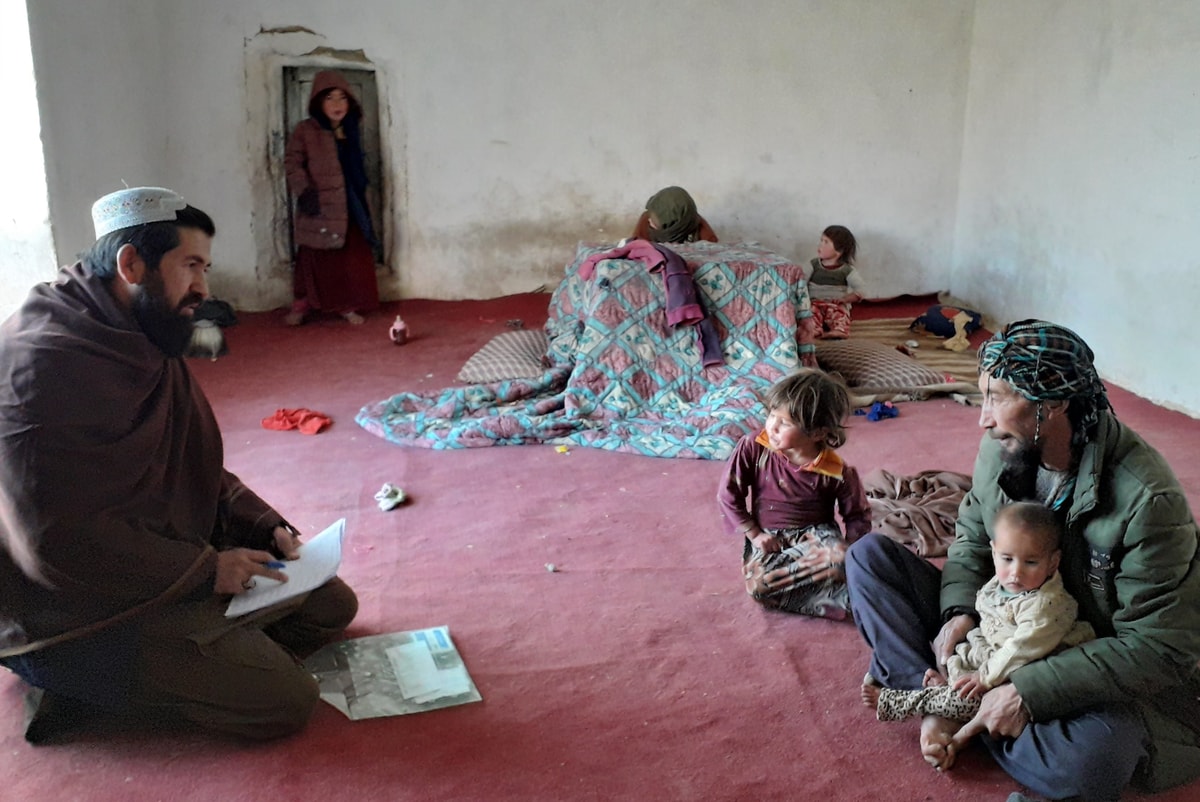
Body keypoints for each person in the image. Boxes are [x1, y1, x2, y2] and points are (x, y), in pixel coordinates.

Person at [0, 187, 358, 743]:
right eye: (190, 265)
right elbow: (54, 542)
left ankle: (189, 654)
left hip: (151, 563)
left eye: (205, 268)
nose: (203, 289)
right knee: (284, 700)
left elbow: (188, 460)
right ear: (131, 265)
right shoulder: (39, 368)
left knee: (332, 604)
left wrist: (261, 522)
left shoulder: (136, 328)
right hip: (72, 611)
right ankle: (68, 681)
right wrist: (207, 572)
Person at [845, 320, 1200, 800]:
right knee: (869, 558)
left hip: (1073, 649)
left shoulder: (1148, 500)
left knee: (1098, 759)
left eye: (997, 398)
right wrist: (957, 612)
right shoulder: (1005, 445)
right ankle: (940, 700)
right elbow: (973, 539)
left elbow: (1158, 647)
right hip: (995, 622)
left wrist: (1028, 692)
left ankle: (967, 708)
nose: (983, 419)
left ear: (1053, 404)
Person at [864, 502, 1094, 748]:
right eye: (1007, 559)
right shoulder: (1001, 584)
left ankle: (902, 703)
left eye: (1030, 562)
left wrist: (985, 677)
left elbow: (1019, 650)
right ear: (994, 552)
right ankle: (945, 687)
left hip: (1020, 670)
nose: (1015, 572)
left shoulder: (1046, 604)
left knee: (968, 697)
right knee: (949, 654)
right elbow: (983, 615)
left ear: (1053, 562)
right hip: (988, 652)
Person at [718, 368, 871, 620]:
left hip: (816, 537)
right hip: (769, 537)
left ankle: (848, 593)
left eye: (785, 423)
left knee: (841, 558)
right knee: (759, 586)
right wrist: (755, 534)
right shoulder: (753, 447)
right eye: (771, 415)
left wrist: (851, 554)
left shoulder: (836, 471)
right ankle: (846, 602)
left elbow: (858, 516)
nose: (772, 426)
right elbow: (728, 494)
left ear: (818, 432)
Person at [284, 70, 381, 326]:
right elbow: (292, 163)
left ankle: (345, 305)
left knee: (348, 256)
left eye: (342, 98)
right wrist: (304, 190)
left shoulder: (351, 129)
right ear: (318, 102)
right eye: (330, 98)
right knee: (314, 256)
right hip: (318, 203)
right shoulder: (306, 130)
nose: (337, 104)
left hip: (350, 203)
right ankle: (302, 304)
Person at [802, 225, 866, 339]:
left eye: (826, 242)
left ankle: (839, 330)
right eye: (821, 240)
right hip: (815, 303)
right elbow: (801, 282)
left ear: (839, 251)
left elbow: (861, 290)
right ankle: (814, 329)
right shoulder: (813, 265)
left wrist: (845, 299)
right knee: (809, 313)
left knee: (840, 314)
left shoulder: (847, 270)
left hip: (835, 305)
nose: (820, 245)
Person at [630, 186, 718, 244]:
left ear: (675, 222)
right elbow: (634, 247)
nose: (650, 220)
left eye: (655, 219)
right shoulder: (646, 219)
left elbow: (711, 254)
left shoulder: (700, 230)